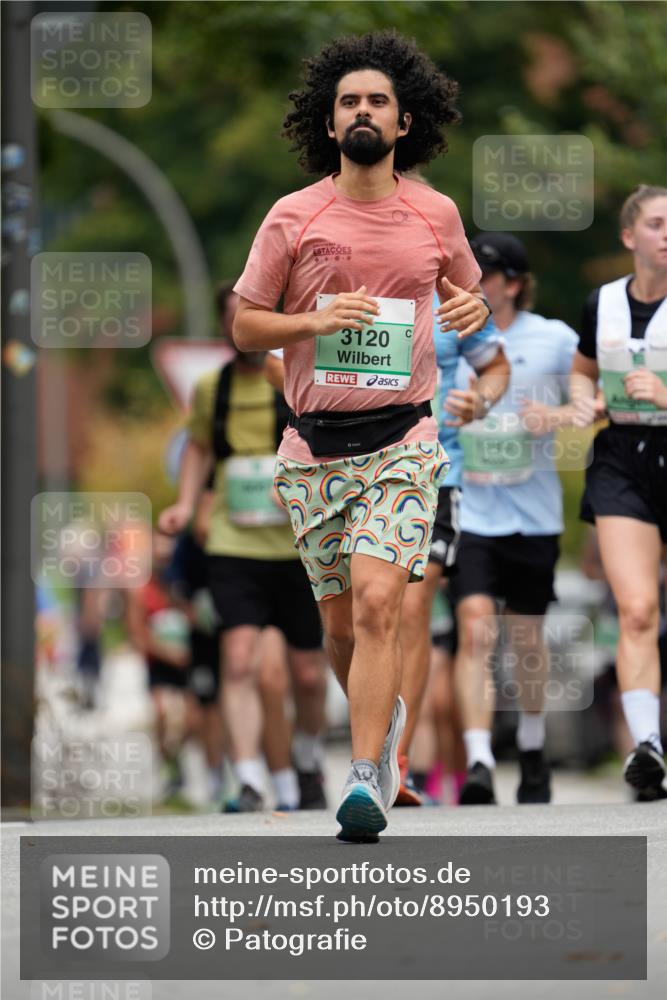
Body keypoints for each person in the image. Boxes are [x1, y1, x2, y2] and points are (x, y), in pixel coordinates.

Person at [232, 30, 490, 841]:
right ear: (329, 120)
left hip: (405, 442)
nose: (363, 111)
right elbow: (243, 325)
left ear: (404, 121)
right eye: (349, 101)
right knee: (341, 628)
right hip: (312, 449)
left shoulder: (434, 212)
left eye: (377, 99)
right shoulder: (293, 215)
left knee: (382, 605)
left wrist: (469, 309)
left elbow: (468, 297)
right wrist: (311, 319)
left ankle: (362, 776)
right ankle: (382, 723)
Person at [159, 284, 328, 813]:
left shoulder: (296, 376)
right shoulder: (213, 389)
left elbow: (329, 440)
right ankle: (250, 774)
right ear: (226, 330)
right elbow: (200, 451)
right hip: (235, 543)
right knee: (238, 660)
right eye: (235, 320)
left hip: (297, 542)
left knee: (305, 670)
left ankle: (307, 753)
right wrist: (186, 505)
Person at [450, 232, 579, 806]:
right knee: (475, 627)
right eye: (470, 272)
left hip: (533, 515)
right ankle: (478, 759)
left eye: (491, 274)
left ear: (516, 283)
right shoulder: (448, 334)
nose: (478, 283)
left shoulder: (551, 338)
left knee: (525, 638)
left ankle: (530, 745)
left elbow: (589, 398)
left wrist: (554, 414)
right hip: (471, 510)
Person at [570, 184, 667, 801]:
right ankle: (646, 747)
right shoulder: (600, 303)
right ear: (631, 238)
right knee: (635, 611)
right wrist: (584, 402)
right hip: (622, 461)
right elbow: (582, 372)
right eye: (658, 224)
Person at [396, 288, 509, 804]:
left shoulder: (450, 293)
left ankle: (394, 760)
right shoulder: (340, 274)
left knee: (412, 609)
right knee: (360, 619)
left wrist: (481, 399)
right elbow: (276, 361)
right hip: (350, 466)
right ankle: (376, 746)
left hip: (437, 474)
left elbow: (496, 366)